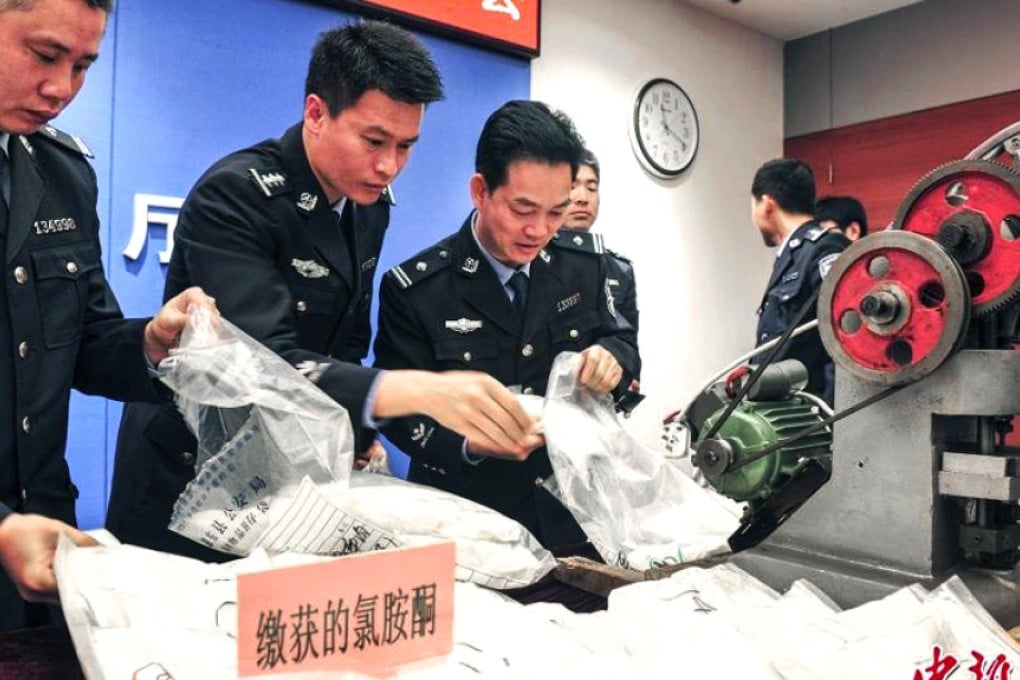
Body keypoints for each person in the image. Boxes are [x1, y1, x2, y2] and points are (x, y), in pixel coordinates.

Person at [106, 21, 540, 561]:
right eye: (374, 141)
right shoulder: (238, 195)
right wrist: (422, 391)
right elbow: (263, 364)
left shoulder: (369, 206)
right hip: (191, 477)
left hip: (286, 480)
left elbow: (344, 343)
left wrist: (359, 433)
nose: (389, 166)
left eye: (406, 146)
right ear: (316, 113)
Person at [0, 0, 215, 629]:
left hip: (43, 551)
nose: (60, 88)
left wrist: (152, 340)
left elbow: (87, 340)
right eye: (43, 55)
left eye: (84, 65)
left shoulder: (62, 174)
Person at [373, 100, 641, 557]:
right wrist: (469, 444)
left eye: (556, 212)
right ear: (480, 191)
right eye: (522, 209)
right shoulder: (418, 289)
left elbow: (622, 341)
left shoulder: (588, 267)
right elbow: (393, 409)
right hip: (466, 522)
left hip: (577, 519)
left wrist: (611, 360)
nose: (538, 230)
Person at [751, 158, 850, 405]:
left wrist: (832, 424)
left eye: (752, 205)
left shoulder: (826, 248)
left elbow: (842, 341)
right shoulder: (792, 254)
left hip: (808, 413)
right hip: (779, 408)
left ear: (766, 204)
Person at [561, 147, 643, 407]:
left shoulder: (619, 269)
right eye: (572, 186)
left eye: (592, 187)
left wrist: (620, 367)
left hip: (596, 410)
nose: (582, 198)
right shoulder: (528, 257)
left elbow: (627, 342)